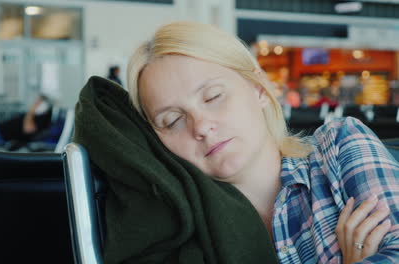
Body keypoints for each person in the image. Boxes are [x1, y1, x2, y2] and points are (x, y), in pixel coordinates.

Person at [126, 21, 398, 264]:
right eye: (173, 120)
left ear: (258, 87)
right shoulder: (179, 228)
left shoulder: (338, 146)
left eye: (213, 97)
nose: (201, 127)